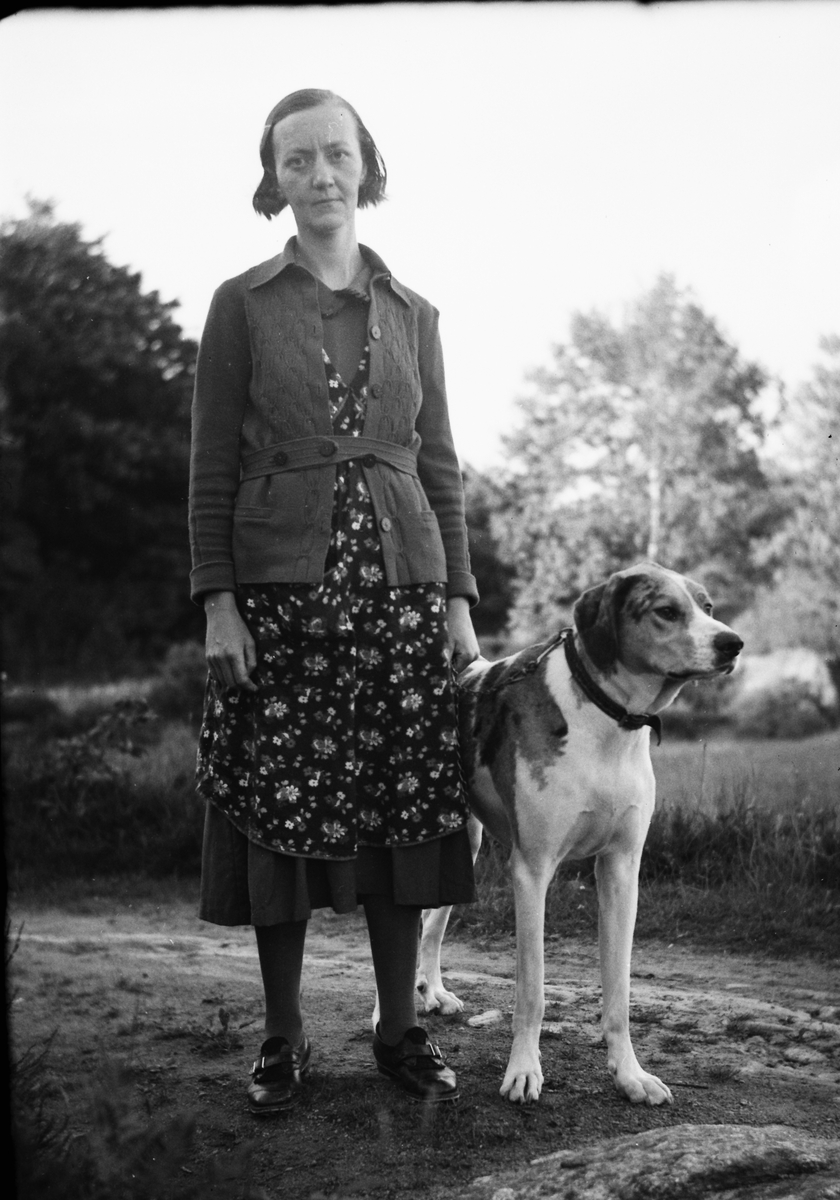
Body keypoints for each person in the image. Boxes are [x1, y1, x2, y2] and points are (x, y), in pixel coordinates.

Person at [188, 88, 480, 1114]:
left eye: (336, 156)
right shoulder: (241, 303)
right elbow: (210, 468)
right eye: (298, 159)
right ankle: (280, 1037)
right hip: (280, 605)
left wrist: (455, 602)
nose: (319, 175)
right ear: (275, 179)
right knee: (283, 812)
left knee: (402, 807)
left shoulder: (415, 313)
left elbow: (438, 467)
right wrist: (218, 604)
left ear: (367, 169)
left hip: (401, 597)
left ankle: (399, 1030)